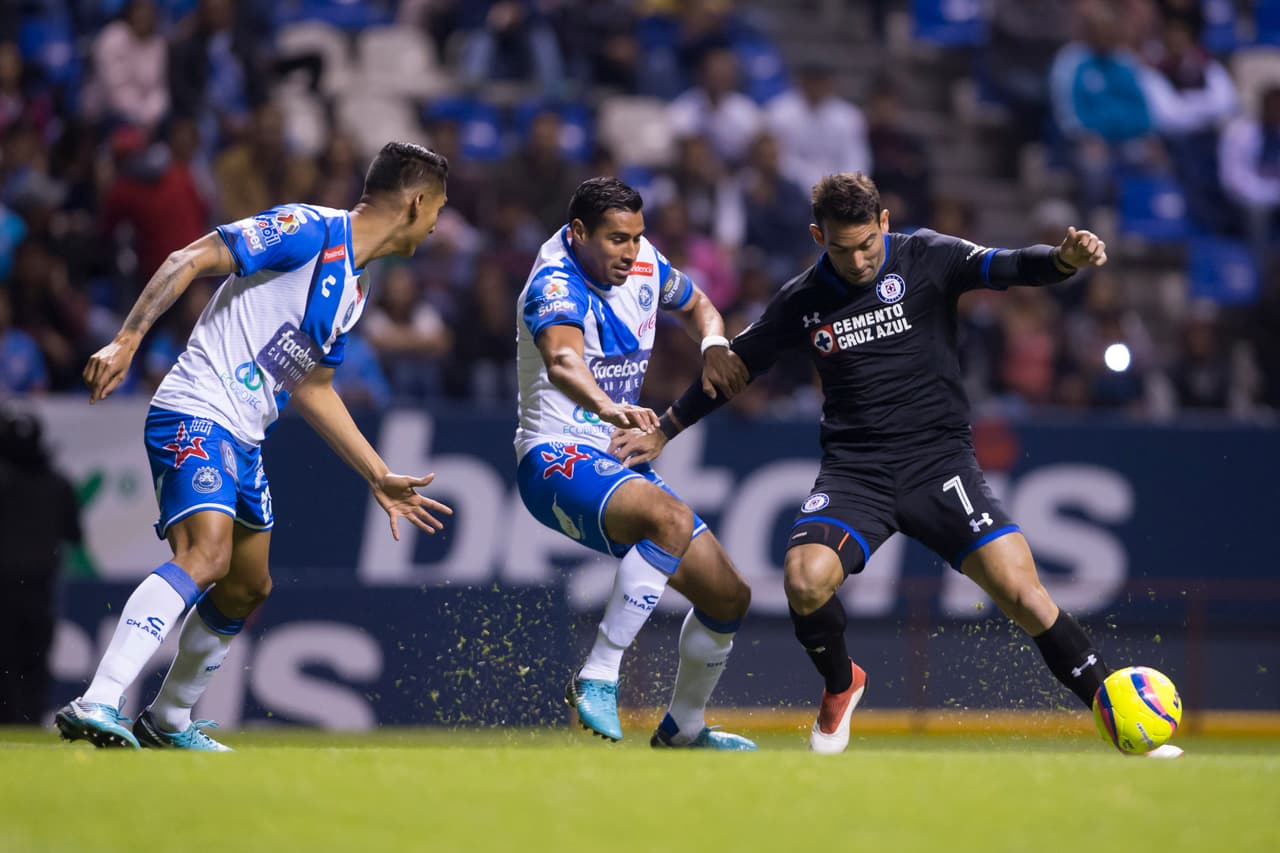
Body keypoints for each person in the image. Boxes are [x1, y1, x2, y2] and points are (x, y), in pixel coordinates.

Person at [610, 172, 1184, 758]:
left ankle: (1118, 721)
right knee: (804, 581)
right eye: (842, 248)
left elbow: (1008, 266)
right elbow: (730, 371)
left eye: (868, 244)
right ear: (817, 236)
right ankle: (841, 685)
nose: (859, 260)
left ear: (885, 222)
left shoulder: (928, 255)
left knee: (1024, 594)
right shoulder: (801, 300)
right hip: (856, 473)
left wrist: (1062, 260)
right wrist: (667, 428)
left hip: (940, 465)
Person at [56, 142, 454, 751]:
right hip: (196, 408)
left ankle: (167, 721)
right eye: (438, 210)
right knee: (207, 556)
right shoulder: (305, 228)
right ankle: (99, 698)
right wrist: (128, 341)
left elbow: (313, 388)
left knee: (247, 585)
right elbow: (186, 259)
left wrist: (377, 473)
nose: (437, 226)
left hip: (243, 435)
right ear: (417, 202)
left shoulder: (356, 287)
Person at [515, 176, 754, 749]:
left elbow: (699, 305)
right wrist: (606, 406)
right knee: (668, 520)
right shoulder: (553, 282)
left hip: (616, 456)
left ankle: (684, 728)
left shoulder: (643, 259)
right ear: (577, 234)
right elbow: (564, 362)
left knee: (728, 596)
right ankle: (599, 673)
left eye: (636, 237)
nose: (630, 251)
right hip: (555, 457)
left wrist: (713, 346)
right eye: (616, 239)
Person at [0, 411, 82, 723]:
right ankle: (29, 718)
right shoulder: (57, 483)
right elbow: (73, 533)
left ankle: (15, 718)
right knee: (34, 658)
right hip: (40, 587)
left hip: (10, 587)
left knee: (10, 657)